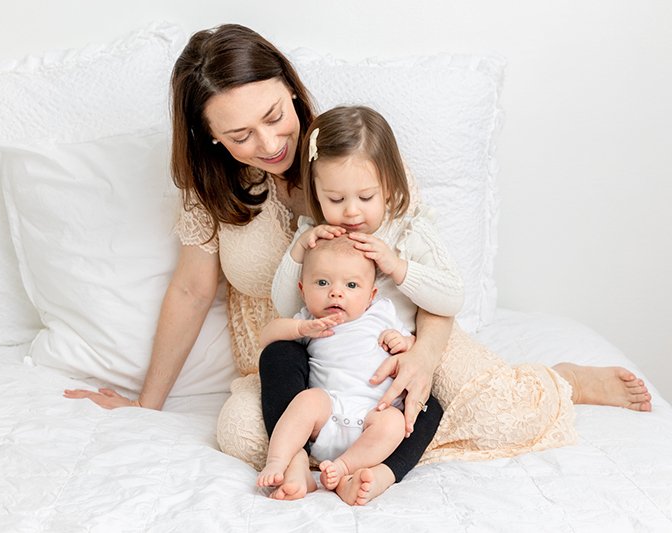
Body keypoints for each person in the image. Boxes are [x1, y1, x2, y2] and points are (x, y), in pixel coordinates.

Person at [63, 23, 450, 502]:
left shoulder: (351, 156)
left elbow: (431, 275)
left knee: (478, 408)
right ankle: (309, 461)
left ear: (290, 86)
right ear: (210, 137)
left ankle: (564, 378)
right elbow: (190, 291)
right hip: (286, 359)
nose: (269, 144)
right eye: (240, 134)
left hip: (385, 348)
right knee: (242, 434)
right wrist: (147, 405)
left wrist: (423, 357)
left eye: (274, 116)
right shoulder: (210, 192)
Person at [271, 104, 653, 505]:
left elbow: (451, 295)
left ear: (389, 187)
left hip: (412, 350)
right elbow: (284, 305)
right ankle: (337, 457)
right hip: (341, 372)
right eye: (335, 198)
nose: (350, 211)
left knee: (481, 413)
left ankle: (565, 381)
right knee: (262, 422)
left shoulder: (408, 231)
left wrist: (398, 267)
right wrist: (299, 252)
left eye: (365, 196)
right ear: (315, 192)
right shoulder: (316, 236)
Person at [258, 235, 421, 498]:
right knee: (308, 400)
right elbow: (267, 338)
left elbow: (414, 347)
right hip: (328, 413)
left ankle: (344, 469)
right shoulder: (310, 322)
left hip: (372, 416)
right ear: (303, 290)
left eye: (352, 284)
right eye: (322, 283)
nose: (336, 292)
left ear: (371, 295)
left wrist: (402, 341)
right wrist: (300, 328)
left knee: (394, 422)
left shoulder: (381, 313)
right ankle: (279, 460)